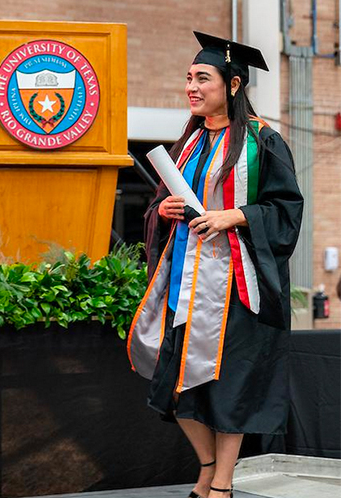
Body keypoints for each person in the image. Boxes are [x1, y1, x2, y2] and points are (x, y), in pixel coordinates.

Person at [127, 32, 304, 498]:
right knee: (176, 387)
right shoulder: (188, 142)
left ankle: (221, 482)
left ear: (232, 84)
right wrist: (161, 209)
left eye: (202, 77)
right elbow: (169, 203)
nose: (191, 86)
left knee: (231, 389)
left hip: (238, 289)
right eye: (188, 77)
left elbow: (287, 209)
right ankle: (207, 464)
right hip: (186, 284)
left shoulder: (263, 142)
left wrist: (237, 215)